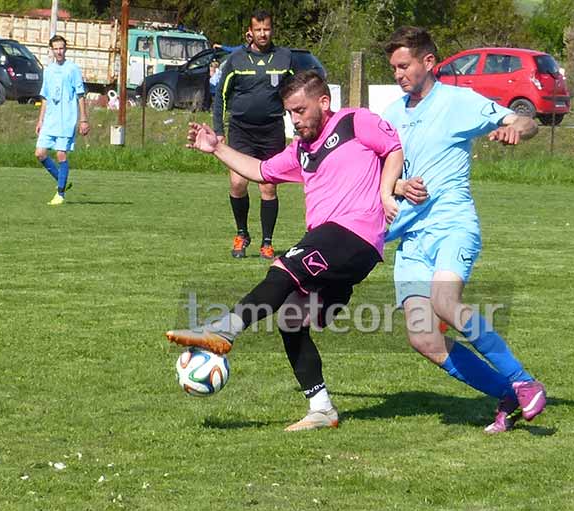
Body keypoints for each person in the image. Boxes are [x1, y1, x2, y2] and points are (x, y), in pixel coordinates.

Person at [168, 71, 404, 431]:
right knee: (291, 320)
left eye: (299, 110)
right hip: (333, 246)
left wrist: (387, 192)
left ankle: (224, 330)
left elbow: (393, 149)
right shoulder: (300, 150)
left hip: (354, 234)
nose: (294, 120)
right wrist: (217, 147)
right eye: (289, 113)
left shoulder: (356, 122)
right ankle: (321, 408)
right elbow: (261, 171)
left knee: (282, 268)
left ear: (323, 103)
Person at [381, 26, 546, 434]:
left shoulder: (459, 102)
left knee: (444, 302)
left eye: (404, 66)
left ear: (429, 62)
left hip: (452, 224)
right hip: (411, 237)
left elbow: (527, 122)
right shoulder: (392, 115)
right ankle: (507, 393)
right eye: (394, 68)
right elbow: (380, 172)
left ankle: (524, 380)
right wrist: (398, 186)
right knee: (423, 339)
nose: (398, 74)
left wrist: (515, 130)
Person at [212, 10, 295, 260]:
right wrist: (218, 131)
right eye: (258, 29)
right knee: (237, 184)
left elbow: (297, 94)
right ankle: (242, 233)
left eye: (266, 29)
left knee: (268, 187)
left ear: (272, 29)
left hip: (271, 131)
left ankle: (267, 243)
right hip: (240, 131)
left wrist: (301, 129)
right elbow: (220, 97)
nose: (262, 33)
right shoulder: (236, 60)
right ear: (251, 31)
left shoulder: (285, 58)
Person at [34, 35, 89, 205]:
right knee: (40, 153)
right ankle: (62, 181)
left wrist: (83, 119)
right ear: (51, 50)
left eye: (61, 48)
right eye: (56, 48)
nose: (59, 51)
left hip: (66, 119)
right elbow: (45, 97)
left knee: (60, 154)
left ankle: (60, 194)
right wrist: (40, 120)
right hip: (50, 120)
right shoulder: (48, 70)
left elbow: (80, 96)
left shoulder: (72, 69)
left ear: (66, 49)